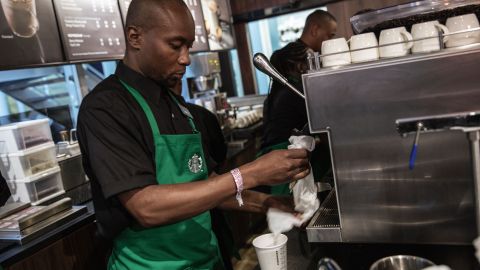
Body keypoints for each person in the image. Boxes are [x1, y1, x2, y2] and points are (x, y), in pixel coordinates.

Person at [76, 0, 310, 269]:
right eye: (176, 46)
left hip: (207, 261)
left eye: (188, 46)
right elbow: (145, 206)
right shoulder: (106, 107)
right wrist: (251, 174)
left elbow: (208, 186)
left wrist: (269, 202)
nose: (186, 58)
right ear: (135, 37)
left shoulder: (176, 105)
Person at [260, 10, 337, 195]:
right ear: (315, 29)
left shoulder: (282, 54)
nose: (330, 41)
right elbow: (315, 105)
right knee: (289, 208)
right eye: (330, 36)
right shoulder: (306, 57)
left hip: (278, 138)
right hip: (285, 144)